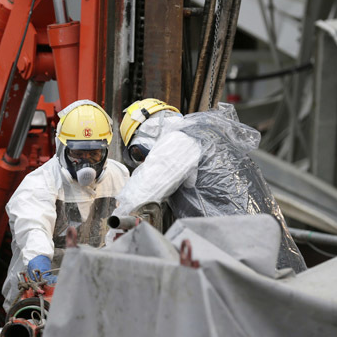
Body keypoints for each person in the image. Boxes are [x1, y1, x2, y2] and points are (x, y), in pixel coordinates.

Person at [112, 98, 306, 272]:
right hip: (272, 259)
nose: (144, 162)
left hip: (242, 265)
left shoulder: (177, 141)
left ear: (149, 131)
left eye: (138, 154)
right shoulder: (210, 136)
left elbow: (136, 198)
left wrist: (106, 248)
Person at [2, 100, 130, 309]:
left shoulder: (118, 175)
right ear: (62, 148)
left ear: (105, 151)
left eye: (94, 154)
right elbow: (33, 228)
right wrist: (40, 267)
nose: (86, 163)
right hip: (42, 294)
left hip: (98, 292)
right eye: (78, 154)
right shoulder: (39, 183)